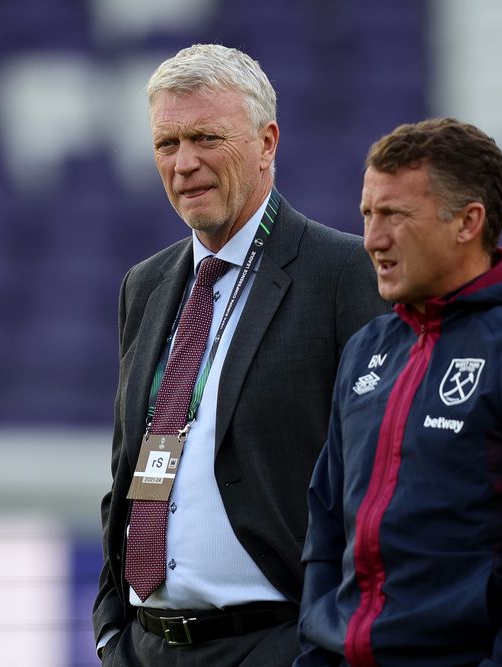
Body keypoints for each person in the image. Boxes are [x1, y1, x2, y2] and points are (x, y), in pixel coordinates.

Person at [93, 43, 388, 666]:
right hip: (147, 647)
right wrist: (111, 628)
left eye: (206, 137)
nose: (185, 163)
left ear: (267, 143)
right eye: (167, 144)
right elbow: (127, 469)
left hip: (280, 643)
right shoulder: (143, 286)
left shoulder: (345, 274)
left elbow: (387, 477)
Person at [296, 118, 502, 666]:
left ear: (468, 222)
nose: (372, 238)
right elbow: (327, 530)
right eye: (368, 215)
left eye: (395, 215)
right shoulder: (368, 348)